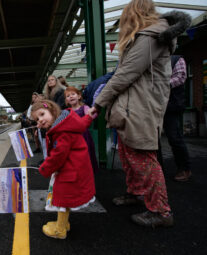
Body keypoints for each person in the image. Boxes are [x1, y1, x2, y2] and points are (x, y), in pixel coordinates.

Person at [88, 0, 191, 228]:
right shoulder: (153, 36)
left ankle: (161, 212)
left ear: (134, 16)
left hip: (139, 108)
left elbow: (125, 74)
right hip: (134, 107)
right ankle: (134, 193)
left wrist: (98, 103)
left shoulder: (150, 37)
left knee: (144, 159)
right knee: (129, 155)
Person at [31, 99, 96, 239]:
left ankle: (60, 230)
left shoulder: (62, 131)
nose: (40, 120)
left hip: (70, 169)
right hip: (75, 167)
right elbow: (83, 123)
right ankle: (64, 223)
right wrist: (89, 116)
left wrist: (44, 168)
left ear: (52, 110)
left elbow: (58, 155)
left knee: (61, 198)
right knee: (64, 198)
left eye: (42, 114)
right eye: (37, 119)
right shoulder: (66, 123)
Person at [164, 55, 191, 181]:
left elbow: (180, 77)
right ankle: (158, 171)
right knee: (154, 140)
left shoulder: (176, 59)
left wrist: (160, 85)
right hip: (157, 106)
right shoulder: (152, 59)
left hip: (172, 106)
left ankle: (184, 168)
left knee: (174, 137)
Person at [65, 86, 99, 173]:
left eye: (73, 94)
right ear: (66, 100)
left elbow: (92, 115)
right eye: (68, 96)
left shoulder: (84, 108)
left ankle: (88, 171)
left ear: (79, 96)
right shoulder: (66, 111)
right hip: (71, 138)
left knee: (86, 154)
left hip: (84, 136)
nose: (71, 96)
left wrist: (93, 111)